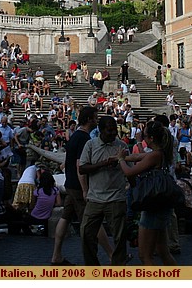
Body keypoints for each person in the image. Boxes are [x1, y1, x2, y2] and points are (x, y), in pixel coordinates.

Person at [50, 105, 113, 266]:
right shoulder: (84, 139)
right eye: (95, 117)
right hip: (78, 186)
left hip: (70, 183)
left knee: (65, 217)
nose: (97, 119)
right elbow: (81, 166)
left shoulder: (75, 136)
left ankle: (56, 255)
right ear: (89, 119)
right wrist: (85, 189)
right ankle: (112, 254)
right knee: (93, 220)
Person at [117, 120, 178, 265]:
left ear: (151, 138)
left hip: (153, 206)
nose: (143, 139)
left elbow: (129, 171)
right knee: (163, 251)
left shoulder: (154, 155)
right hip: (161, 203)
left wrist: (120, 159)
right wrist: (124, 157)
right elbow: (138, 157)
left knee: (145, 255)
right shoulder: (162, 152)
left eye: (145, 136)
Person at [79, 115, 128, 266]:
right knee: (86, 233)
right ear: (100, 131)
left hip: (116, 198)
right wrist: (104, 163)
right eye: (109, 131)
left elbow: (128, 170)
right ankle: (92, 267)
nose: (113, 133)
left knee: (120, 238)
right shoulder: (90, 145)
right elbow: (82, 168)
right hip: (95, 198)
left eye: (115, 130)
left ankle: (117, 268)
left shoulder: (121, 147)